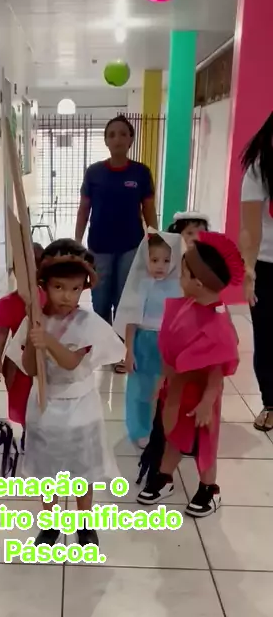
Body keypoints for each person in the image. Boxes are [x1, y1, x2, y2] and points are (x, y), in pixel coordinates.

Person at [6, 239, 124, 547]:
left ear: (84, 288)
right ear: (44, 285)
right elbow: (30, 369)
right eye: (59, 287)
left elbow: (71, 362)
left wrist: (47, 340)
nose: (67, 296)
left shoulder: (88, 323)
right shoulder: (35, 319)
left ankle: (85, 523)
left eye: (75, 288)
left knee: (83, 471)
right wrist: (33, 340)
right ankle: (50, 524)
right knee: (48, 471)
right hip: (45, 405)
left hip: (81, 407)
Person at [136, 232, 244, 518]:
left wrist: (207, 402)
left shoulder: (217, 322)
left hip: (202, 395)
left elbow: (217, 370)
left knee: (205, 442)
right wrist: (163, 379)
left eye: (183, 275)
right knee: (173, 434)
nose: (179, 279)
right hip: (178, 389)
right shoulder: (187, 306)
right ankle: (165, 477)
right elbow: (172, 346)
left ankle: (210, 488)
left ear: (198, 282)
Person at [75, 114, 158, 373]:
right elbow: (84, 209)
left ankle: (123, 351)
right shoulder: (94, 173)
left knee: (124, 301)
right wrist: (76, 242)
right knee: (100, 300)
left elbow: (149, 209)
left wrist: (154, 240)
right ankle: (104, 349)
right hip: (99, 247)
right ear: (106, 141)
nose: (118, 139)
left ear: (131, 139)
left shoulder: (141, 173)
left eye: (123, 134)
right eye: (112, 134)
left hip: (130, 247)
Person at [114, 230, 182, 448]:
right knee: (141, 388)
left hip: (170, 343)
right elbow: (131, 320)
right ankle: (141, 429)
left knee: (168, 388)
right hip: (143, 342)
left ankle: (167, 428)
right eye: (154, 260)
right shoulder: (140, 283)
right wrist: (129, 350)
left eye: (166, 260)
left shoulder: (179, 285)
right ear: (145, 258)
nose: (160, 266)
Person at [0, 243, 44, 430]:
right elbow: (2, 333)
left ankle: (39, 430)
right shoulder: (10, 303)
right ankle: (27, 431)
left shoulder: (47, 299)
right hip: (17, 362)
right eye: (20, 270)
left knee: (42, 399)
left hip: (42, 359)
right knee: (21, 398)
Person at [240, 112, 273, 431]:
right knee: (267, 337)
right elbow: (250, 228)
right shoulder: (259, 168)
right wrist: (248, 268)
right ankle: (270, 402)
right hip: (268, 265)